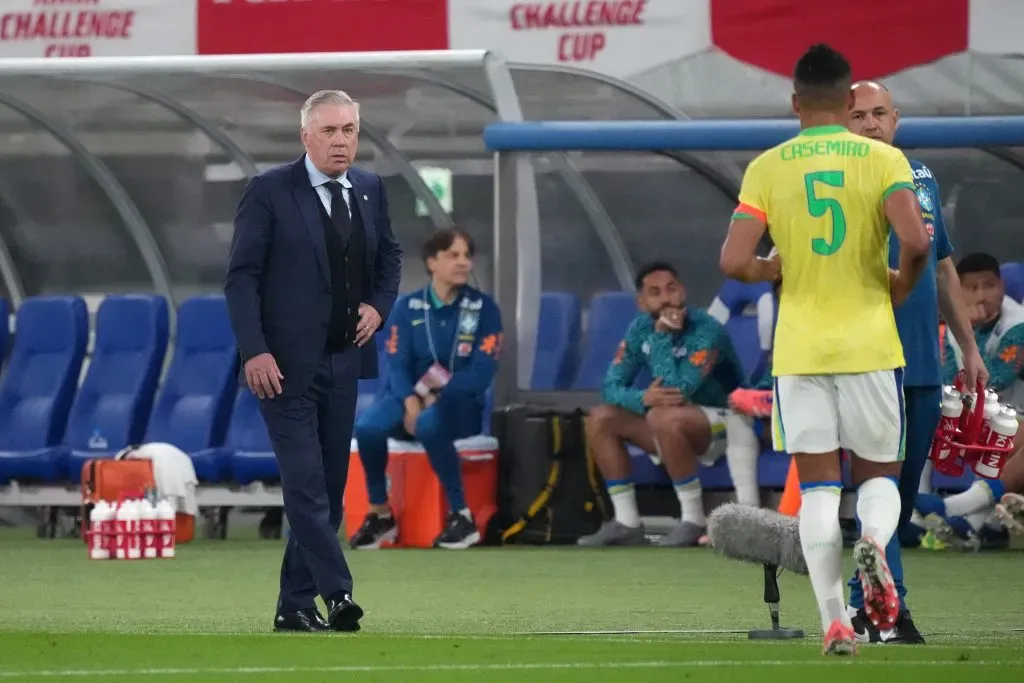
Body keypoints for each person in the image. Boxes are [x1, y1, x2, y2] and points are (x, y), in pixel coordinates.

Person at [719, 44, 932, 656]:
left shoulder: (767, 166)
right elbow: (915, 241)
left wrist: (771, 269)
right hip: (869, 343)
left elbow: (733, 261)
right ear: (847, 102)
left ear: (794, 103)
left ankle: (835, 620)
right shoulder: (883, 159)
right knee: (878, 477)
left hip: (801, 350)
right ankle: (872, 538)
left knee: (816, 489)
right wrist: (898, 287)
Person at [224, 90, 402, 633]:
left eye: (349, 129)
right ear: (306, 137)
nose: (341, 140)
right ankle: (338, 592)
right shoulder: (270, 191)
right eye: (329, 131)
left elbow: (390, 258)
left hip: (344, 362)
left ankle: (293, 605)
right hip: (281, 368)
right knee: (305, 486)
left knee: (327, 483)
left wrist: (378, 305)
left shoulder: (370, 189)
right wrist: (254, 349)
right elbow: (242, 277)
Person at [842, 81, 987, 645]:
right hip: (867, 357)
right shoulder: (837, 181)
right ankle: (883, 613)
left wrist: (968, 348)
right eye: (859, 115)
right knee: (879, 485)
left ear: (896, 119)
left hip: (924, 361)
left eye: (880, 113)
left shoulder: (921, 178)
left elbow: (944, 269)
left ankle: (868, 603)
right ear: (843, 122)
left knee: (896, 504)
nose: (872, 123)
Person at [578, 261, 750, 548]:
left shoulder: (706, 329)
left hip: (724, 422)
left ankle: (693, 519)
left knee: (664, 415)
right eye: (655, 292)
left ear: (682, 291)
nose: (667, 298)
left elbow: (678, 391)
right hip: (669, 422)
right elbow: (610, 386)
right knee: (600, 417)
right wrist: (641, 398)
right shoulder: (638, 328)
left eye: (672, 289)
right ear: (642, 302)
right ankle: (627, 522)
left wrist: (661, 336)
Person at [351, 229, 501, 550]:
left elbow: (481, 372)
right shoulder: (408, 308)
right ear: (432, 262)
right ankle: (380, 514)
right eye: (453, 255)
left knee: (429, 422)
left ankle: (462, 517)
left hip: (460, 406)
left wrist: (432, 399)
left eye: (466, 256)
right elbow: (396, 361)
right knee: (367, 428)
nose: (463, 263)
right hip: (411, 399)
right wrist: (409, 400)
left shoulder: (484, 309)